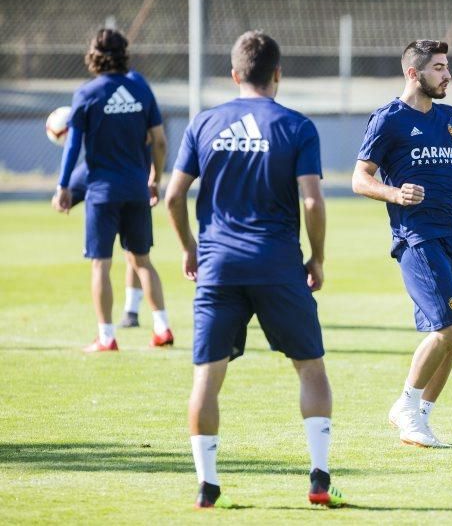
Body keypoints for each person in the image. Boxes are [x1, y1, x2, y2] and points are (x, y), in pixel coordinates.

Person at [165, 30, 346, 508]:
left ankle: (207, 487)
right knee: (309, 368)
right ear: (277, 75)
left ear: (234, 74)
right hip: (278, 264)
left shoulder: (205, 123)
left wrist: (189, 248)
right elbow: (312, 198)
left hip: (219, 264)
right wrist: (318, 256)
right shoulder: (296, 126)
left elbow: (172, 195)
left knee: (207, 375)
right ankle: (320, 481)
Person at [352, 40, 452, 447]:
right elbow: (359, 178)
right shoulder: (389, 119)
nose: (447, 74)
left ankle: (420, 417)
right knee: (447, 327)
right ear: (413, 74)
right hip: (418, 239)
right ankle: (405, 405)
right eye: (438, 67)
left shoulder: (449, 119)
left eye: (447, 66)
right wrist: (394, 193)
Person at [51, 28, 172, 352]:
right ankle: (162, 328)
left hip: (102, 193)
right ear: (124, 54)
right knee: (142, 261)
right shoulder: (140, 87)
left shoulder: (88, 93)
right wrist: (154, 178)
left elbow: (73, 144)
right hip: (136, 189)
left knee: (100, 265)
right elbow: (159, 141)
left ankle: (106, 336)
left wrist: (63, 185)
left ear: (93, 56)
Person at [69, 159, 148, 328]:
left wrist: (63, 189)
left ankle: (106, 334)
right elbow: (159, 143)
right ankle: (148, 319)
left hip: (105, 191)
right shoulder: (141, 137)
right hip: (135, 185)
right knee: (137, 256)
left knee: (102, 262)